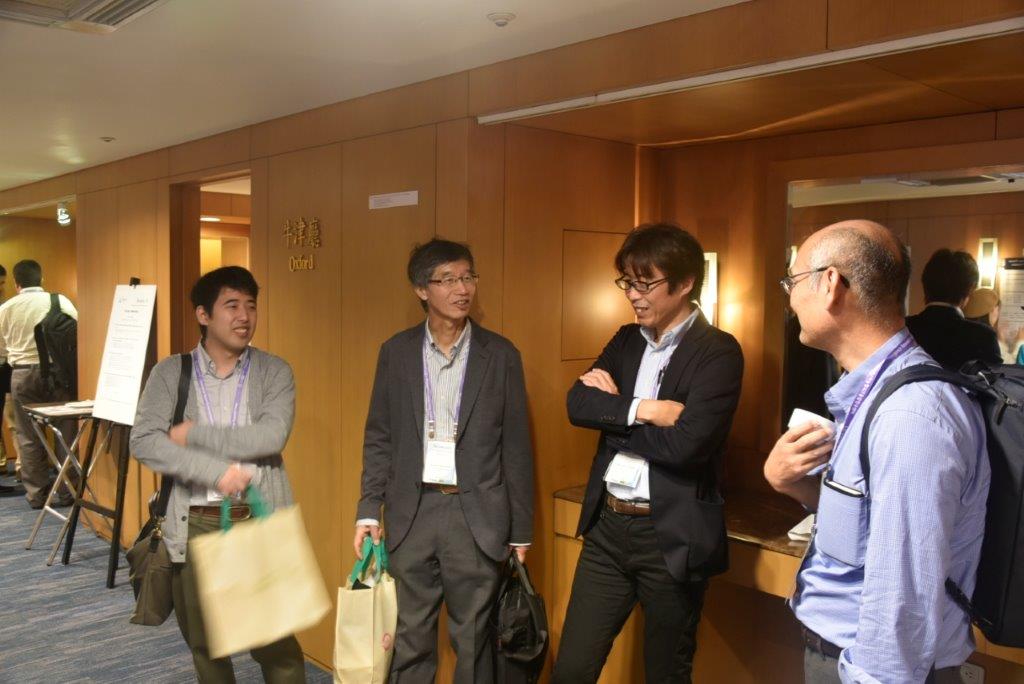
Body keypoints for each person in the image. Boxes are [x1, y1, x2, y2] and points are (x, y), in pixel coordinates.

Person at [764, 220, 989, 683]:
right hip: (839, 655)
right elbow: (870, 528)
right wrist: (795, 485)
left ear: (830, 283)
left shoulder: (910, 415)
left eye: (792, 281)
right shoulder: (871, 391)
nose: (790, 298)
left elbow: (902, 596)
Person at [552, 223, 744, 684]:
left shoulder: (718, 352)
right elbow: (578, 404)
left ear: (685, 283)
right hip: (607, 528)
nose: (634, 295)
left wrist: (616, 417)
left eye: (645, 283)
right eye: (628, 283)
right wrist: (648, 410)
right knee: (572, 669)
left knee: (666, 673)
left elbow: (687, 447)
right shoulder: (626, 339)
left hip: (670, 536)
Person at [354, 238, 534, 683]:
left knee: (474, 641)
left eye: (468, 277)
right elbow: (379, 436)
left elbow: (516, 447)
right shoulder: (396, 352)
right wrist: (368, 509)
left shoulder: (501, 355)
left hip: (476, 517)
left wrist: (521, 530)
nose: (462, 288)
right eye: (448, 279)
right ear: (421, 289)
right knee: (410, 637)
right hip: (412, 512)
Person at [130, 266, 305, 683]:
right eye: (232, 305)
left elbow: (270, 436)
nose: (244, 316)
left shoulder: (274, 371)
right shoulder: (170, 373)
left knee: (276, 644)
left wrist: (194, 434)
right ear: (203, 314)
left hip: (257, 518)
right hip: (196, 524)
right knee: (207, 644)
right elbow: (145, 440)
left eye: (251, 306)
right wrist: (214, 471)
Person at [0, 259, 78, 508]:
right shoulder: (60, 301)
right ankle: (68, 492)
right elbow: (78, 333)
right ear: (41, 279)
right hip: (58, 374)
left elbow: (1, 351)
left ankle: (37, 495)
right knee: (66, 434)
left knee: (28, 436)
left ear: (16, 283)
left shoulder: (5, 308)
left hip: (22, 375)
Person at [905, 248, 1001, 369]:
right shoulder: (983, 337)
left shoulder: (904, 328)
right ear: (970, 289)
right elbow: (994, 379)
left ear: (925, 284)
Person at [964, 287, 1024, 364]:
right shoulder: (986, 335)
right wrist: (1020, 342)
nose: (998, 314)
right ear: (992, 310)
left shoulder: (965, 329)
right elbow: (1010, 366)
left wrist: (1001, 341)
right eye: (998, 310)